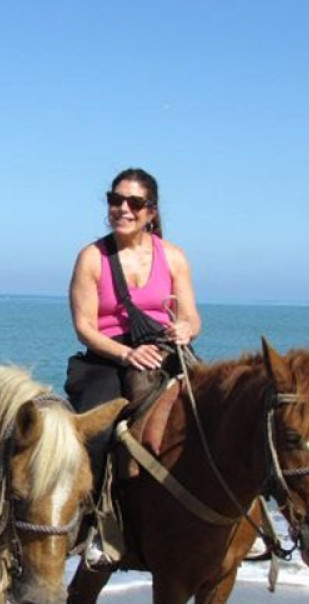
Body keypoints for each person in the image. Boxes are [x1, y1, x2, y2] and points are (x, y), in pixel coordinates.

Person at [64, 167, 201, 565]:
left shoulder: (173, 256)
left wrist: (185, 329)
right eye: (115, 200)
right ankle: (90, 522)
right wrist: (126, 355)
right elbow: (84, 328)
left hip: (163, 351)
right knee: (95, 432)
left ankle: (249, 518)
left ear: (151, 211)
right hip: (107, 357)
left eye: (134, 203)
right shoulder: (92, 257)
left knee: (221, 411)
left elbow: (192, 317)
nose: (123, 209)